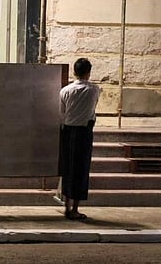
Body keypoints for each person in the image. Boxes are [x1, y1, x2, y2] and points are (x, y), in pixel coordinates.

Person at [59, 57, 101, 221]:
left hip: (68, 131)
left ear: (74, 72)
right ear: (88, 72)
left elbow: (61, 113)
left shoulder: (65, 90)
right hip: (84, 132)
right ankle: (75, 208)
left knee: (68, 169)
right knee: (81, 170)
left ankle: (67, 206)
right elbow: (93, 106)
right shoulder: (94, 90)